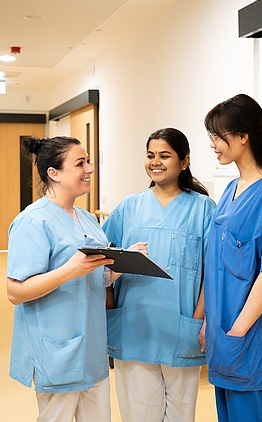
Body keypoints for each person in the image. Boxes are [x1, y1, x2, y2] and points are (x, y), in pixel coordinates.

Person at [103, 127, 216, 422]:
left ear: (185, 161)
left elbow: (212, 271)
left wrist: (201, 319)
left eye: (165, 155)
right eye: (151, 155)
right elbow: (103, 261)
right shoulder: (129, 207)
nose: (156, 161)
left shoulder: (204, 209)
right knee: (138, 414)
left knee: (181, 414)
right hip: (133, 326)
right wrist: (111, 308)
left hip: (182, 328)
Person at [6, 136, 121, 422]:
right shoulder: (33, 221)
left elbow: (95, 275)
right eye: (80, 163)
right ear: (53, 173)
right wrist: (70, 270)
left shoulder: (87, 219)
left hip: (92, 346)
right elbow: (15, 292)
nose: (90, 169)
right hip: (56, 349)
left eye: (89, 162)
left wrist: (121, 265)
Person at [200, 94, 262, 422]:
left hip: (249, 334)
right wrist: (211, 321)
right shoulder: (230, 190)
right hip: (223, 330)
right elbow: (216, 265)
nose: (213, 144)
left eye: (217, 136)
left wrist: (238, 330)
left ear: (242, 137)